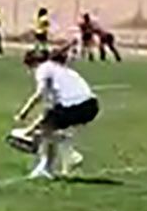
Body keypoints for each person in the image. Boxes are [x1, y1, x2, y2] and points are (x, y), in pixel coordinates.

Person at [11, 46, 99, 180]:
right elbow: (49, 112)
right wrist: (29, 130)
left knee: (47, 132)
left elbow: (39, 94)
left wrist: (23, 113)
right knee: (48, 131)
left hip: (75, 105)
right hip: (91, 105)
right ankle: (47, 168)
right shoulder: (61, 70)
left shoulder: (43, 69)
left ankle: (69, 155)